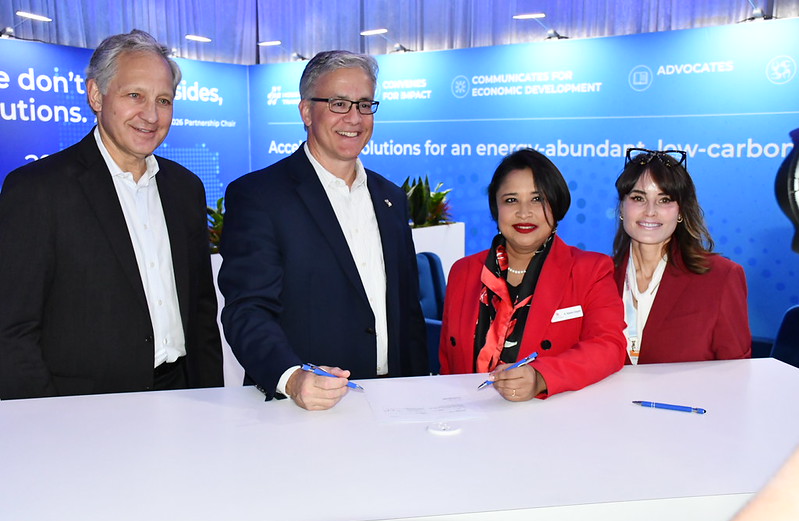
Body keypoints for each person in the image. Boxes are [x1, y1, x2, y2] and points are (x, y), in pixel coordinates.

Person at [0, 30, 223, 400]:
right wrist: (43, 422)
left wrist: (210, 400)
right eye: (135, 95)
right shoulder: (38, 190)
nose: (151, 115)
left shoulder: (185, 188)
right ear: (96, 95)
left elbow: (201, 314)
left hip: (182, 398)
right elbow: (13, 328)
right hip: (81, 410)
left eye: (164, 100)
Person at [219, 50, 428, 411]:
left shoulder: (391, 198)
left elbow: (407, 312)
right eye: (339, 103)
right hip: (304, 405)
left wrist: (419, 390)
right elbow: (247, 310)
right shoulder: (259, 196)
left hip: (391, 402)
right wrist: (293, 378)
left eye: (364, 104)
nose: (354, 118)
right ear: (305, 111)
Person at [439, 148, 626, 401]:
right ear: (496, 208)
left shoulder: (591, 270)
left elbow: (608, 347)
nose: (524, 212)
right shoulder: (464, 271)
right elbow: (448, 365)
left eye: (537, 199)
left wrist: (541, 377)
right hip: (471, 420)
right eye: (511, 200)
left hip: (550, 422)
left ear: (556, 204)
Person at [612, 148, 751, 364]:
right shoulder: (598, 277)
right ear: (622, 207)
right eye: (638, 197)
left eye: (664, 199)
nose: (650, 211)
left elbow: (736, 374)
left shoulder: (721, 277)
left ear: (681, 211)